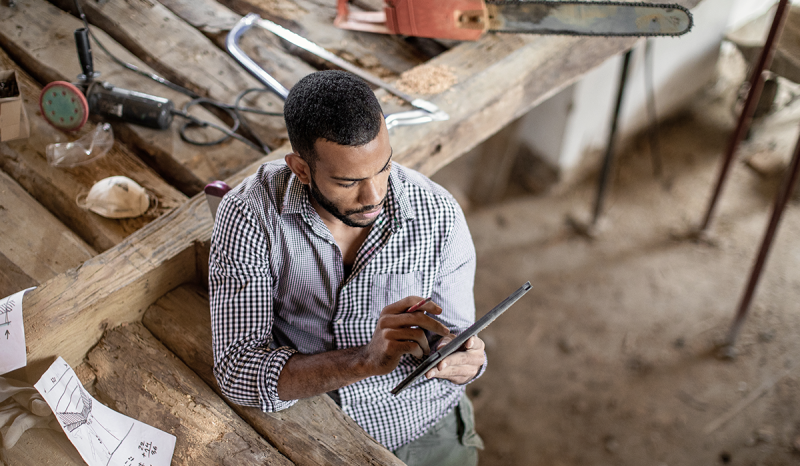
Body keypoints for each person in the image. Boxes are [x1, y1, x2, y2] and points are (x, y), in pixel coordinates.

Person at [209, 70, 486, 465]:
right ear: (301, 170)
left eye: (384, 168)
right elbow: (237, 370)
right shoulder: (251, 215)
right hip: (314, 426)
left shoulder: (437, 214)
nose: (374, 196)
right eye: (347, 181)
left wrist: (463, 359)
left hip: (423, 422)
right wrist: (363, 361)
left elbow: (461, 333)